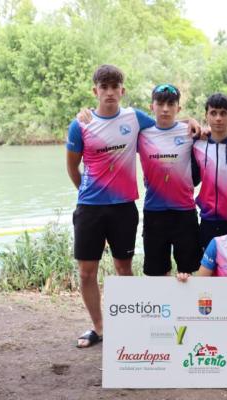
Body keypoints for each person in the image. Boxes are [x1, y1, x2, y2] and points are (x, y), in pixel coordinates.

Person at [66, 65, 155, 348]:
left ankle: (127, 326)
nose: (109, 92)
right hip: (90, 208)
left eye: (114, 87)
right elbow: (72, 167)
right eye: (103, 87)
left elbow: (167, 127)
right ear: (95, 91)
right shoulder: (80, 124)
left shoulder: (135, 118)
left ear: (122, 90)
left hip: (123, 208)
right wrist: (87, 193)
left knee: (123, 268)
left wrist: (194, 125)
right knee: (86, 272)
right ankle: (99, 327)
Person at [137, 84, 201, 276]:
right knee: (157, 274)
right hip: (154, 211)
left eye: (171, 104)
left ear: (178, 108)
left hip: (185, 211)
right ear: (152, 106)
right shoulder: (141, 134)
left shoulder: (191, 132)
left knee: (188, 272)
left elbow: (217, 136)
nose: (165, 109)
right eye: (160, 104)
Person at [193, 93, 227, 249]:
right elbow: (168, 124)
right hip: (208, 219)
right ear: (206, 116)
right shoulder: (197, 144)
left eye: (223, 113)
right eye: (213, 113)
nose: (218, 118)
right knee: (210, 262)